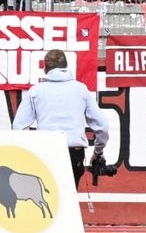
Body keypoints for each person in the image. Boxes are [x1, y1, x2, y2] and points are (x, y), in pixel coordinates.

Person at [12, 48, 109, 185]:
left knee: (47, 195)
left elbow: (18, 127)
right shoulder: (81, 89)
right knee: (70, 194)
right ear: (66, 66)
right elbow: (102, 126)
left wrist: (32, 150)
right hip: (74, 152)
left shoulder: (35, 91)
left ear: (45, 69)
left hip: (45, 152)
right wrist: (98, 152)